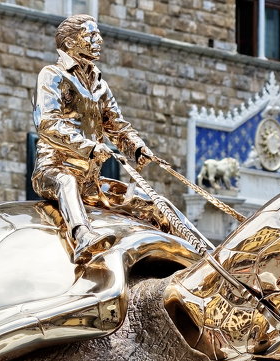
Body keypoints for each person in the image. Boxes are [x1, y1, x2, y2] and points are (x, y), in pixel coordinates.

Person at [33, 14, 186, 261]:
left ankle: (198, 249)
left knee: (153, 202)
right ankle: (83, 236)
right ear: (70, 43)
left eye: (98, 34)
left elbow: (116, 125)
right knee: (66, 183)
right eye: (91, 35)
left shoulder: (100, 84)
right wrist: (89, 147)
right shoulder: (52, 75)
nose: (99, 40)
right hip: (54, 170)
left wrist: (137, 147)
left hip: (91, 180)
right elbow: (47, 123)